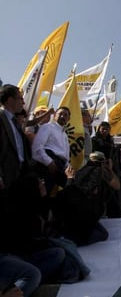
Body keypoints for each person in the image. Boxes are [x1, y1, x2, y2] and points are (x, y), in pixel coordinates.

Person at [0, 84, 31, 212]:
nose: (23, 102)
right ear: (10, 100)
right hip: (4, 177)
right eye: (20, 98)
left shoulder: (15, 123)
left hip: (17, 177)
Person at [31, 106, 71, 196]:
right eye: (60, 113)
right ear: (55, 115)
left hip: (61, 166)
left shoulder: (65, 135)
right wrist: (49, 162)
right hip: (47, 164)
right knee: (42, 193)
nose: (62, 116)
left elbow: (66, 156)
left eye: (65, 115)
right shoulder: (47, 127)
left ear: (68, 119)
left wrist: (68, 168)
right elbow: (37, 148)